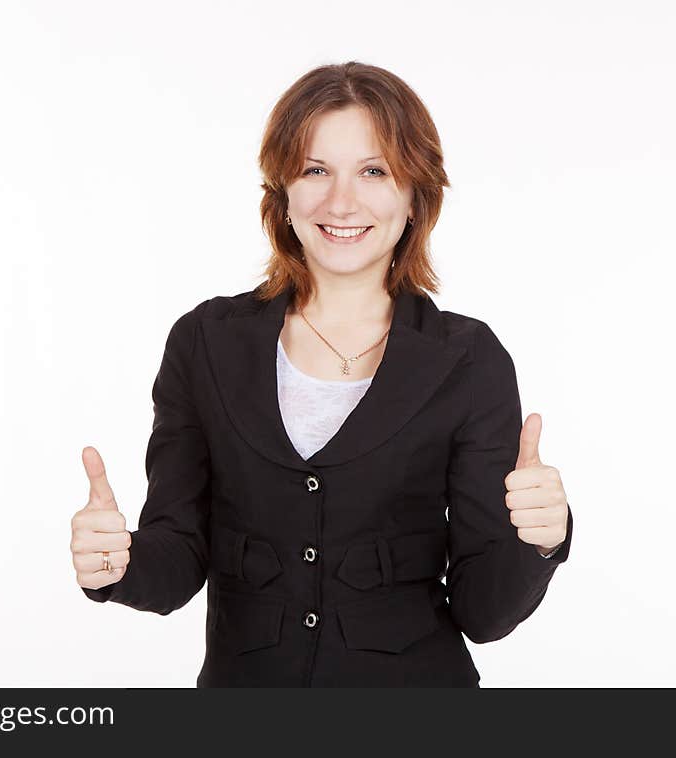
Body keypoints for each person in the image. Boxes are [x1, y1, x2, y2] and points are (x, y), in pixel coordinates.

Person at [70, 61, 573, 687]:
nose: (342, 202)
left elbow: (485, 613)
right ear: (282, 191)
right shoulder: (205, 343)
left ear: (415, 194)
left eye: (374, 171)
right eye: (315, 170)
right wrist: (117, 566)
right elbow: (179, 554)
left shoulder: (467, 360)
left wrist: (542, 540)